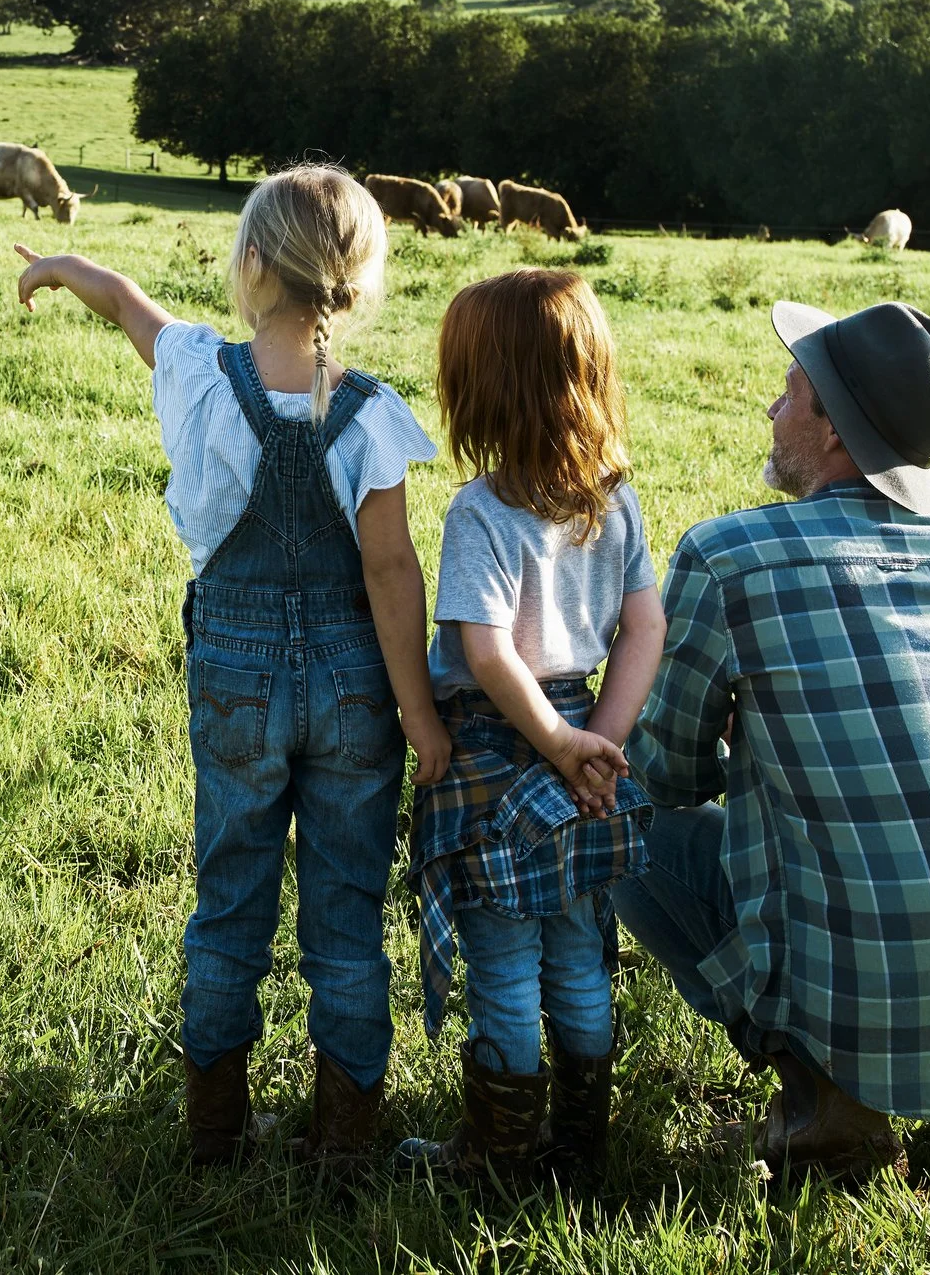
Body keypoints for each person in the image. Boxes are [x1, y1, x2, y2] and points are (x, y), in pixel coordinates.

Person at [13, 165, 446, 1168]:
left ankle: (215, 1132)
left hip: (235, 679)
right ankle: (344, 1142)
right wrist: (420, 716)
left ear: (250, 264)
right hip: (354, 685)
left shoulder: (204, 376)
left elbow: (131, 307)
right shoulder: (370, 412)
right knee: (347, 915)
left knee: (229, 902)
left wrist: (66, 266)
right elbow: (391, 571)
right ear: (357, 278)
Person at [614, 300, 930, 1188]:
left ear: (834, 427)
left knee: (620, 820)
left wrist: (747, 751)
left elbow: (662, 775)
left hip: (868, 996)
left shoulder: (729, 557)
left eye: (789, 391)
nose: (772, 408)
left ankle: (831, 1104)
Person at [395, 269, 649, 1184]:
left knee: (503, 959)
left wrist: (556, 745)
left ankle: (498, 1152)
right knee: (578, 953)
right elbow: (644, 627)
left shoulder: (481, 511)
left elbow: (488, 650)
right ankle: (579, 1148)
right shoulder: (615, 499)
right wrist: (596, 743)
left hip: (498, 753)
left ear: (485, 393)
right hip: (585, 744)